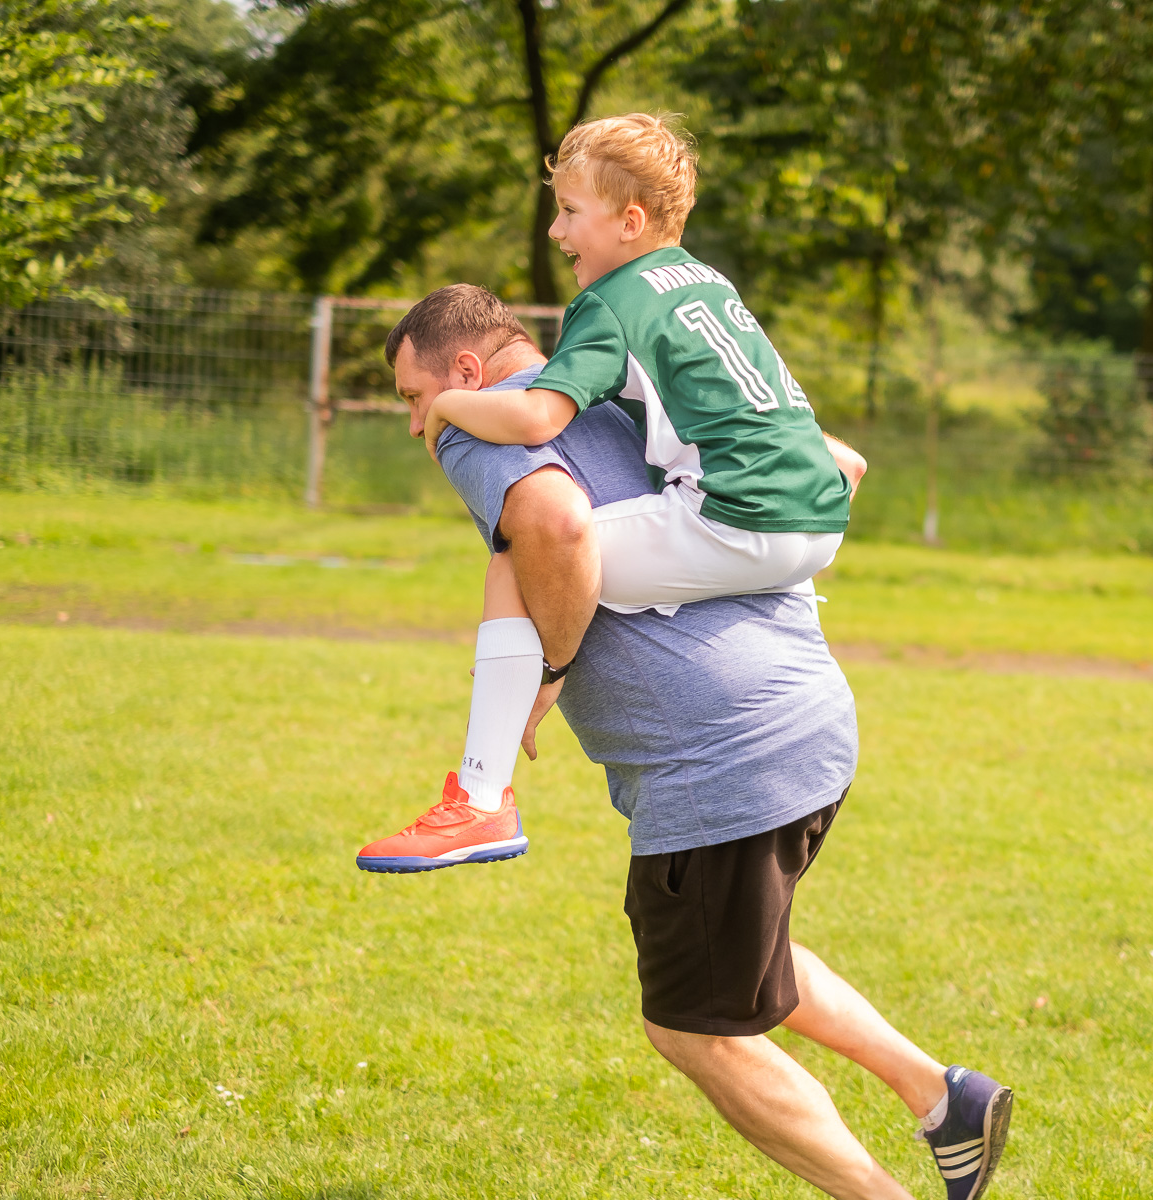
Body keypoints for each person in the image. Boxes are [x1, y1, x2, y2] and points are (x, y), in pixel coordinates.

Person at [365, 286, 1013, 1200]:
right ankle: (943, 1096)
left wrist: (552, 667)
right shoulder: (636, 389)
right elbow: (832, 463)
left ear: (466, 372)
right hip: (810, 722)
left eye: (412, 397)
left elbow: (554, 523)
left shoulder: (473, 425)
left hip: (717, 760)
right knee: (742, 954)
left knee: (693, 1026)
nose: (414, 424)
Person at [361, 113, 853, 867]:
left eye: (569, 211)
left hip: (736, 522)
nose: (555, 231)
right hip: (820, 519)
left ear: (630, 222)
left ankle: (481, 799)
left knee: (521, 556)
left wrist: (449, 407)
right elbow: (832, 454)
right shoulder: (707, 283)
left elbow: (538, 423)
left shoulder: (611, 303)